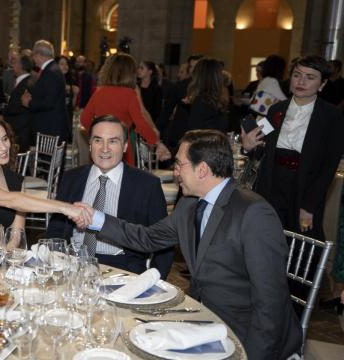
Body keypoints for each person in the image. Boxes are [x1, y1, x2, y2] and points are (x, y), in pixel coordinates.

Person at [81, 129, 302, 359]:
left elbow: (270, 305)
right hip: (203, 321)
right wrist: (95, 217)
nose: (175, 172)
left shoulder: (253, 213)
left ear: (203, 169)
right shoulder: (189, 205)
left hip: (245, 334)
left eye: (179, 164)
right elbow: (147, 238)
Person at [47, 115, 172, 278]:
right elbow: (56, 229)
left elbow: (162, 241)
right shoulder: (72, 178)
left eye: (113, 141)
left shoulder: (147, 185)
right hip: (73, 263)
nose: (104, 149)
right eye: (98, 140)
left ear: (125, 146)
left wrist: (154, 282)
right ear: (90, 144)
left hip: (123, 268)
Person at [242, 54, 344, 240]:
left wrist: (310, 206)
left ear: (322, 84)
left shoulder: (332, 116)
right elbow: (261, 148)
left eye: (310, 77)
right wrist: (248, 146)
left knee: (300, 241)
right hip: (271, 181)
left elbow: (329, 166)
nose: (301, 81)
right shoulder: (276, 110)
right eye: (297, 75)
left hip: (305, 185)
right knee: (266, 238)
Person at [0, 114, 87, 236]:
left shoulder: (15, 182)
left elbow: (17, 234)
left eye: (5, 139)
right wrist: (66, 208)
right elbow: (9, 200)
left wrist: (6, 257)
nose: (4, 147)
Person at [80, 53, 167, 166]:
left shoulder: (99, 92)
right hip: (121, 149)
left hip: (100, 149)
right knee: (123, 181)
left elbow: (84, 119)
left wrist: (99, 137)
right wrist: (157, 143)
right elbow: (140, 124)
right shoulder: (130, 94)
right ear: (130, 73)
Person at [163, 58, 228, 151]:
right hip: (216, 151)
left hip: (202, 154)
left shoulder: (201, 101)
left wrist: (173, 154)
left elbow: (194, 135)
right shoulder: (220, 100)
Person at [21, 40, 70, 143]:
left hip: (50, 129)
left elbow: (48, 102)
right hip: (49, 128)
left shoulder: (51, 72)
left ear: (38, 55)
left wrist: (29, 102)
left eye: (33, 55)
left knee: (48, 159)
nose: (33, 59)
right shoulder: (50, 70)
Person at [3, 54, 35, 151]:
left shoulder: (27, 83)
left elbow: (19, 107)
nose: (12, 65)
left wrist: (4, 113)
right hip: (21, 129)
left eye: (15, 62)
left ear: (21, 66)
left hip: (21, 130)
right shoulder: (28, 80)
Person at [57, 55, 78, 133]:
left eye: (66, 64)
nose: (65, 66)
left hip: (67, 118)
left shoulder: (70, 80)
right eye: (61, 64)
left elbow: (71, 105)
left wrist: (75, 94)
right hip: (57, 118)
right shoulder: (54, 80)